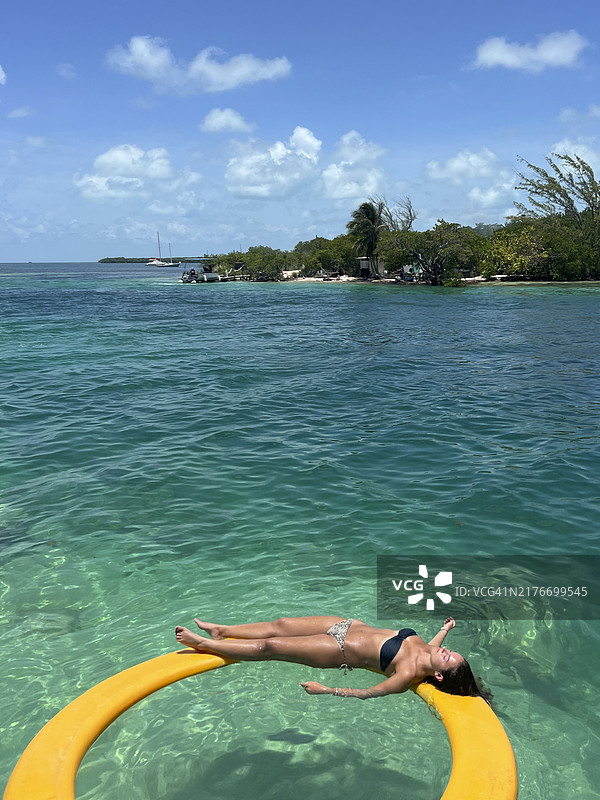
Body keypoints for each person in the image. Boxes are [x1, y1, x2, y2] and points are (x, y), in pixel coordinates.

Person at [174, 615, 491, 703]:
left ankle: (203, 644)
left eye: (448, 658)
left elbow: (367, 693)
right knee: (281, 624)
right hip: (346, 624)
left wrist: (326, 690)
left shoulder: (406, 675)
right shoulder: (427, 650)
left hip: (337, 651)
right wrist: (444, 630)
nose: (445, 651)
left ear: (438, 676)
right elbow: (433, 648)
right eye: (449, 651)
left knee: (269, 647)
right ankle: (222, 630)